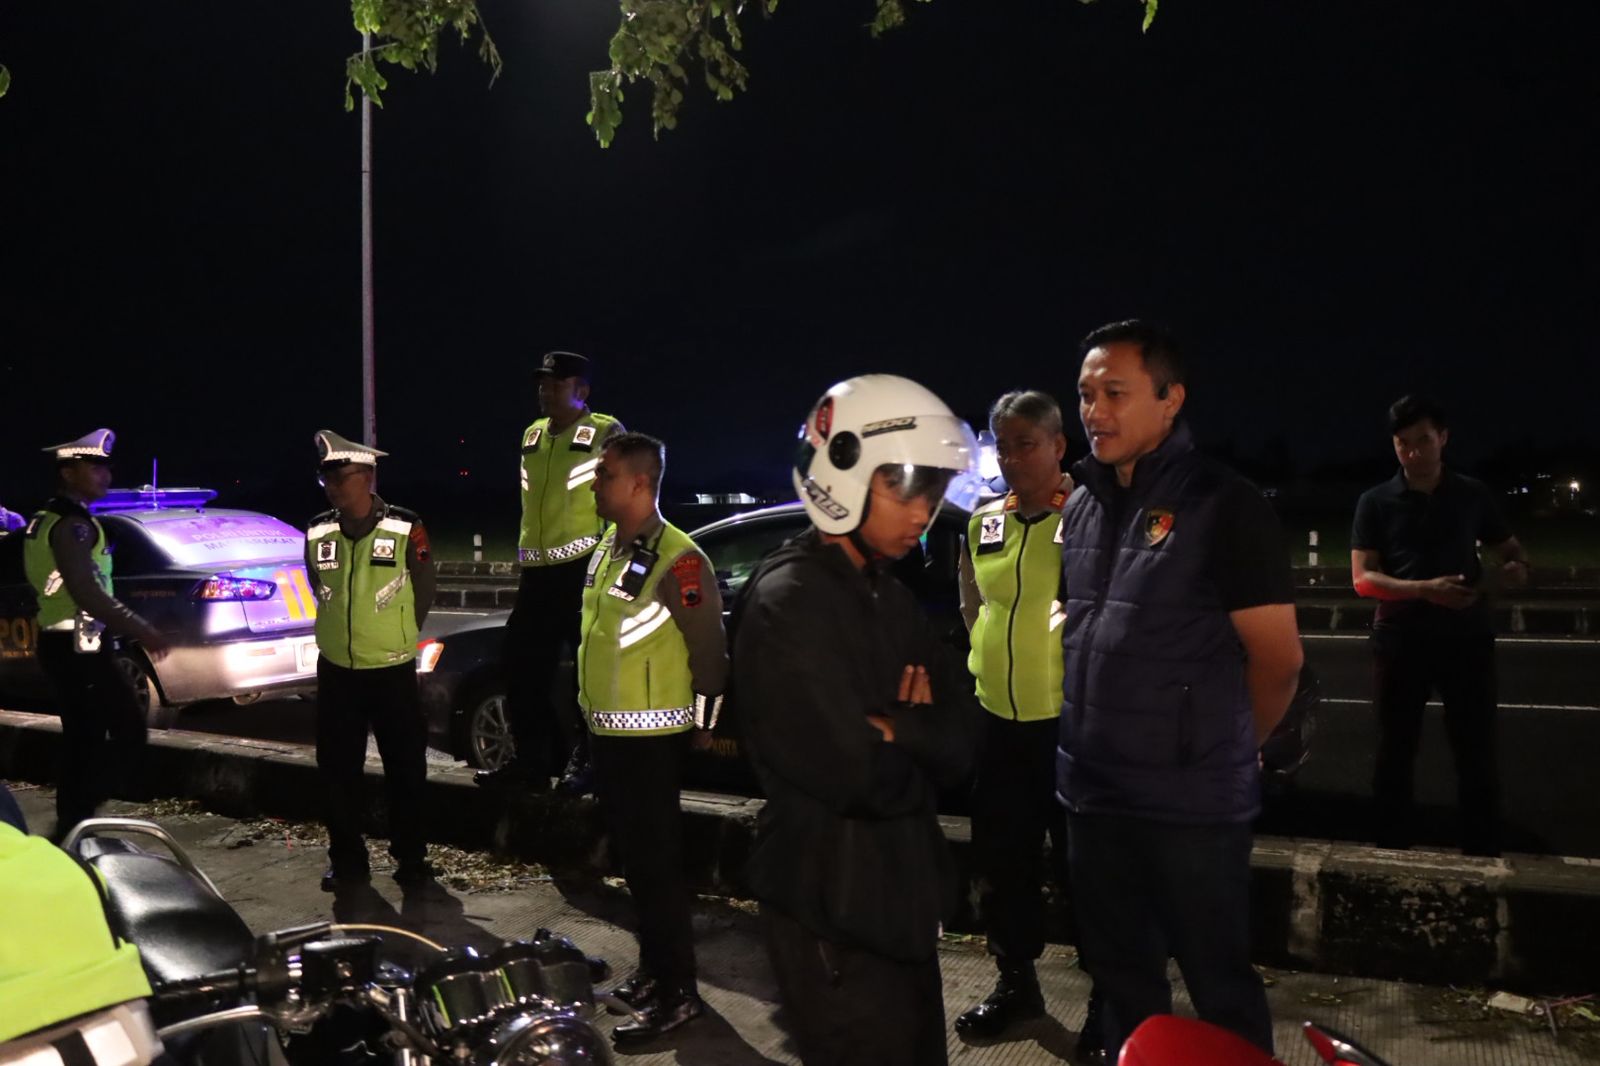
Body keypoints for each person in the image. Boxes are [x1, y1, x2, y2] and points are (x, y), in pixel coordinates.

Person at [1059, 321, 1303, 1058]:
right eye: (1086, 394)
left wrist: (1234, 744)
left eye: (1115, 393)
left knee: (1218, 984)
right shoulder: (1082, 505)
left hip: (1191, 805)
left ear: (1170, 400)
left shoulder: (1225, 504)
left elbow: (1279, 660)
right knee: (1120, 979)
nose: (1094, 411)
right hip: (1094, 795)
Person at [734, 374, 984, 1066]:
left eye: (934, 492)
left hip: (899, 905)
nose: (925, 511)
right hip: (832, 917)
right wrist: (915, 738)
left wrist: (900, 729)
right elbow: (859, 774)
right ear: (842, 470)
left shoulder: (888, 594)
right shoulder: (790, 602)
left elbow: (965, 738)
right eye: (907, 488)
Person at [954, 390, 1103, 1057]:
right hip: (1000, 724)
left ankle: (1108, 999)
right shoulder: (983, 523)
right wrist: (989, 663)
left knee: (1086, 873)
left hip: (1072, 730)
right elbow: (974, 606)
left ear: (1058, 447)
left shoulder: (1091, 517)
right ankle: (1017, 984)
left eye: (1027, 444)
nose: (1013, 458)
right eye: (1004, 445)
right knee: (1002, 863)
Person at [577, 432, 728, 1043]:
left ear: (640, 483)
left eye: (605, 475)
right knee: (637, 867)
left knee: (659, 870)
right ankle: (654, 971)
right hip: (609, 733)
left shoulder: (679, 559)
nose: (594, 483)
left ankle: (679, 994)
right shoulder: (607, 549)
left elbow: (710, 653)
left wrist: (705, 726)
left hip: (652, 737)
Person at [1351, 395, 1527, 857]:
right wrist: (1423, 589)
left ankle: (1483, 853)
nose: (1413, 452)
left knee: (1476, 750)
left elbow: (1511, 549)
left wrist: (1514, 568)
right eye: (1403, 443)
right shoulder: (1375, 501)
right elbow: (1362, 579)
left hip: (1466, 637)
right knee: (1394, 750)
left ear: (1443, 438)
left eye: (1423, 440)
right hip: (1400, 639)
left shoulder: (1471, 493)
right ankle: (1390, 852)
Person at [478, 351, 624, 793]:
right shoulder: (532, 435)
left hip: (582, 570)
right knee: (521, 667)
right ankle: (532, 762)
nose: (545, 391)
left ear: (582, 390)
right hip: (537, 575)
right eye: (542, 383)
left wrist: (610, 559)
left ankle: (588, 761)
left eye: (556, 383)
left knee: (587, 673)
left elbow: (622, 494)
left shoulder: (605, 432)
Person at [305, 430, 438, 892]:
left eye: (340, 477)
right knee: (337, 771)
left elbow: (424, 589)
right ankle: (346, 860)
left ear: (367, 477)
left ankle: (412, 858)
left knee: (406, 768)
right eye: (326, 479)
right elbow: (318, 585)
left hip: (391, 669)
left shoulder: (405, 527)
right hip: (337, 671)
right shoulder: (317, 530)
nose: (332, 488)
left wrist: (393, 635)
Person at [23, 429, 170, 843]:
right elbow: (86, 591)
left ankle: (74, 825)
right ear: (68, 473)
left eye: (107, 467)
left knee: (83, 738)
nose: (105, 475)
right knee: (126, 730)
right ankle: (75, 822)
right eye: (95, 467)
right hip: (77, 646)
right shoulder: (72, 525)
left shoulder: (47, 518)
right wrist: (141, 629)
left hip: (65, 643)